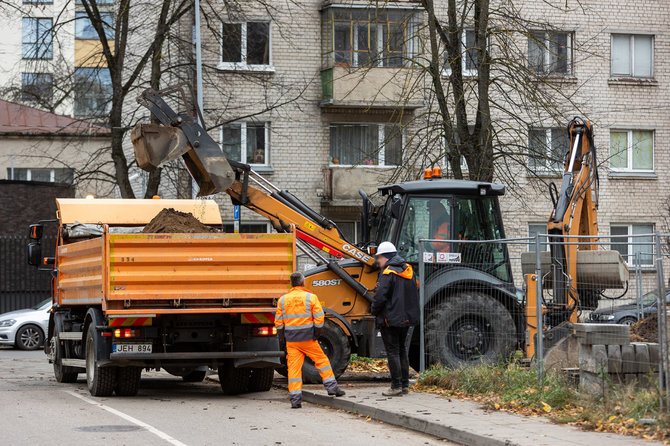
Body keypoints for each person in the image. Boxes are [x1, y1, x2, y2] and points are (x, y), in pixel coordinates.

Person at [275, 271, 346, 409]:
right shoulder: (311, 297)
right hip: (308, 339)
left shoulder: (282, 300)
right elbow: (319, 318)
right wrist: (316, 334)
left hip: (292, 341)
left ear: (291, 284)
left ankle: (295, 400)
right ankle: (332, 388)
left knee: (294, 369)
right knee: (322, 361)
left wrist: (283, 337)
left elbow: (278, 322)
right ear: (303, 283)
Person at [371, 241, 420, 397]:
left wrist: (374, 310)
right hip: (406, 318)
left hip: (390, 319)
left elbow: (379, 297)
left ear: (385, 257)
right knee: (401, 350)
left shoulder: (387, 273)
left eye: (379, 257)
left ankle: (396, 386)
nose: (378, 261)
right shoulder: (409, 270)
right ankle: (404, 385)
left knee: (393, 351)